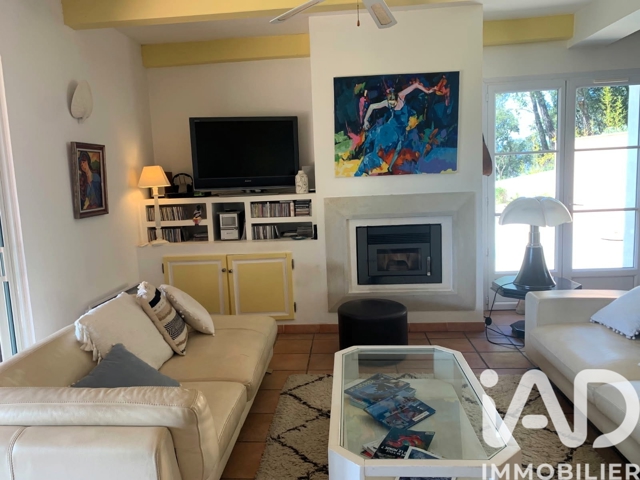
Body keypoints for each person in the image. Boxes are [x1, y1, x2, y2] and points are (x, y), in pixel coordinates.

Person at [357, 80, 436, 176]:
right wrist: (365, 120)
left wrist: (427, 91)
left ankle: (390, 167)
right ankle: (368, 164)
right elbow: (372, 106)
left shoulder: (401, 96)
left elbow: (415, 85)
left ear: (396, 99)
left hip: (401, 129)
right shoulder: (387, 102)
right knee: (382, 146)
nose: (391, 105)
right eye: (390, 103)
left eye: (393, 103)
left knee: (399, 147)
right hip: (391, 127)